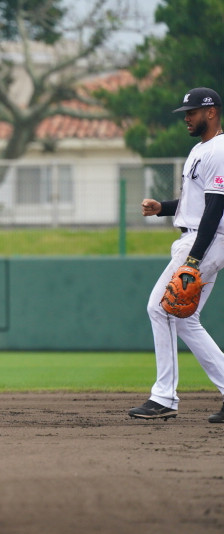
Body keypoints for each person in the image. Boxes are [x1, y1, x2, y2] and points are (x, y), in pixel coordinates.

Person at [129, 87, 224, 423]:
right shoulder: (201, 149)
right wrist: (162, 208)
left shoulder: (220, 149)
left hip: (206, 241)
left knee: (160, 308)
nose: (187, 117)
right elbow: (193, 204)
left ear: (211, 112)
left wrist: (194, 261)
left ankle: (164, 397)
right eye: (186, 112)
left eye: (193, 111)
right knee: (183, 318)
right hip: (198, 237)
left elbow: (215, 209)